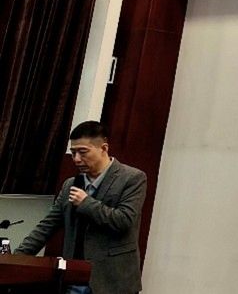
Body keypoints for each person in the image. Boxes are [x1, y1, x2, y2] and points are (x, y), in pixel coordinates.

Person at [17, 121, 147, 294]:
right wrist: (14, 258)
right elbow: (47, 226)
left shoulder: (132, 178)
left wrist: (86, 203)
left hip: (113, 281)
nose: (77, 159)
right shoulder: (70, 184)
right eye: (73, 153)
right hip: (74, 276)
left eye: (83, 152)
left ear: (104, 148)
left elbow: (124, 220)